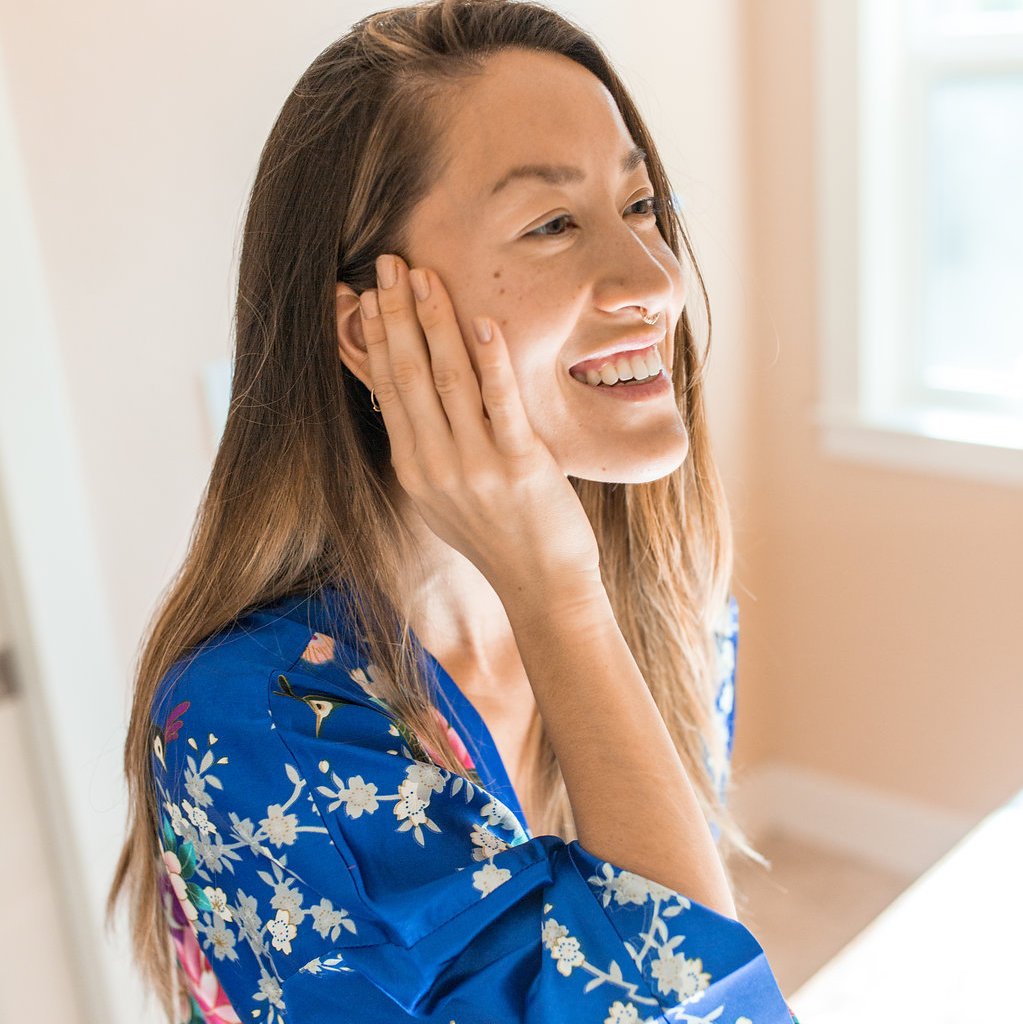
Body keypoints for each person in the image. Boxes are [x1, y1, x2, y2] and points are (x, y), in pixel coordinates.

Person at [107, 1, 800, 1021]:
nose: (656, 281)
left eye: (643, 204)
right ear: (369, 325)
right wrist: (556, 594)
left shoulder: (672, 592)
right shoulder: (249, 725)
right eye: (554, 223)